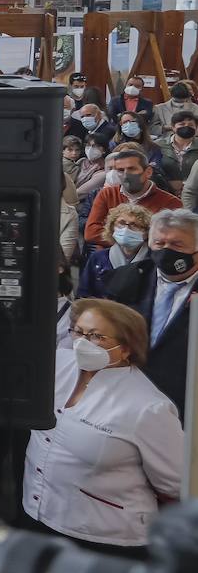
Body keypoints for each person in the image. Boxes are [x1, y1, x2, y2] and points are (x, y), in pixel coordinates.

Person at [24, 298, 182, 555]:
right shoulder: (55, 365)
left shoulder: (148, 407)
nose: (83, 343)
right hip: (38, 516)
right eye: (78, 332)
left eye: (97, 336)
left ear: (126, 348)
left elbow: (174, 481)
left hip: (104, 538)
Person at [105, 208, 198, 414]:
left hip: (185, 403)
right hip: (128, 396)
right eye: (159, 243)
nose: (166, 250)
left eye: (176, 244)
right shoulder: (126, 279)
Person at [83, 148, 180, 246]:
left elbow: (172, 238)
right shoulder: (107, 194)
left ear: (148, 172)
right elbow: (91, 233)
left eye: (132, 169)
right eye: (120, 170)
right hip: (110, 256)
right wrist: (127, 239)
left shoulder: (171, 203)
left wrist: (134, 240)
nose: (126, 175)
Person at [78, 204, 151, 299]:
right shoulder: (98, 258)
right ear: (112, 227)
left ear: (146, 233)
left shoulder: (152, 260)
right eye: (121, 223)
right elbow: (83, 294)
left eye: (134, 225)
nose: (126, 229)